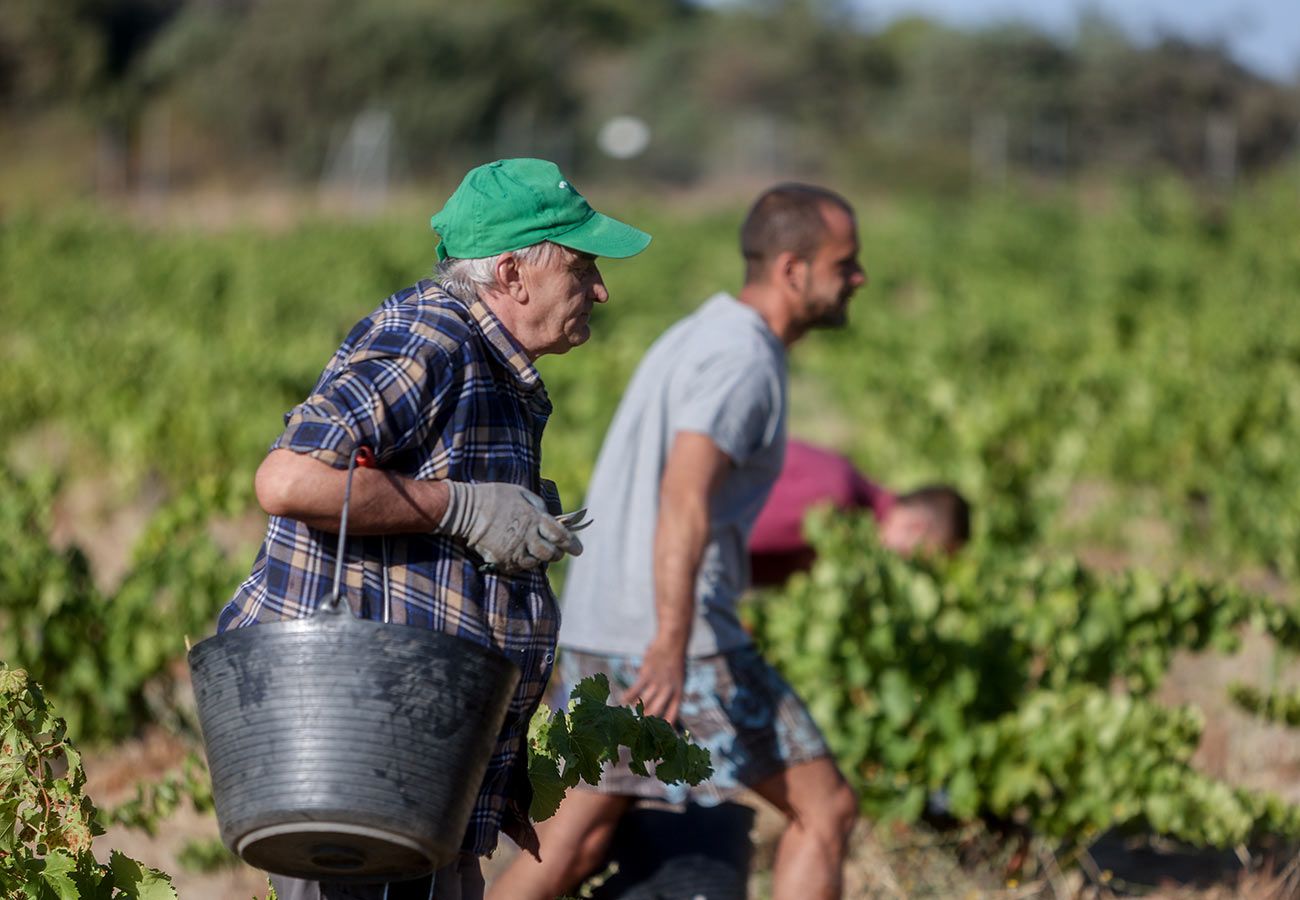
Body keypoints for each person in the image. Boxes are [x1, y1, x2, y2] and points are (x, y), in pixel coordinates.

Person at [214, 158, 650, 900]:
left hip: (416, 766)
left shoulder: (498, 369)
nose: (601, 290)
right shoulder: (432, 336)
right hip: (355, 758)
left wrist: (493, 781)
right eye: (583, 268)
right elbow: (286, 480)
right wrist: (463, 508)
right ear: (513, 274)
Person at [489, 183, 867, 900]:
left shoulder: (704, 332)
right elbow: (684, 495)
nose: (859, 278)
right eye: (845, 263)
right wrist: (671, 640)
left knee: (574, 843)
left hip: (607, 622)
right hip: (673, 642)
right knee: (827, 809)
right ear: (792, 269)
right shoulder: (743, 359)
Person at [749, 439, 971, 586]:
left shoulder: (849, 514)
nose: (910, 570)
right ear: (916, 529)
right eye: (921, 559)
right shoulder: (834, 505)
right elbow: (721, 533)